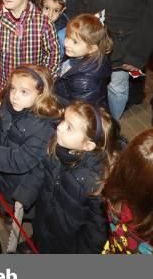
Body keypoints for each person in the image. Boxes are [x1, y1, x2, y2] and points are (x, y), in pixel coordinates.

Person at [19, 102, 115, 253]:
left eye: (69, 127)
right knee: (41, 234)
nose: (59, 127)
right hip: (44, 218)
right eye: (64, 120)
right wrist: (24, 195)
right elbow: (40, 171)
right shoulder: (55, 147)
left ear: (88, 146)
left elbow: (97, 230)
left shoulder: (94, 183)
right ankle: (36, 243)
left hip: (66, 243)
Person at [0, 64, 60, 216]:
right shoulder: (7, 104)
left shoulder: (44, 126)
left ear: (40, 94)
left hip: (18, 185)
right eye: (13, 88)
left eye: (24, 92)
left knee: (10, 209)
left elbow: (23, 158)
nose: (15, 96)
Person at [54, 14, 113, 109]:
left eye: (75, 42)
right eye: (67, 36)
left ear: (92, 49)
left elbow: (78, 110)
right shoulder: (76, 54)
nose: (66, 43)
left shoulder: (85, 82)